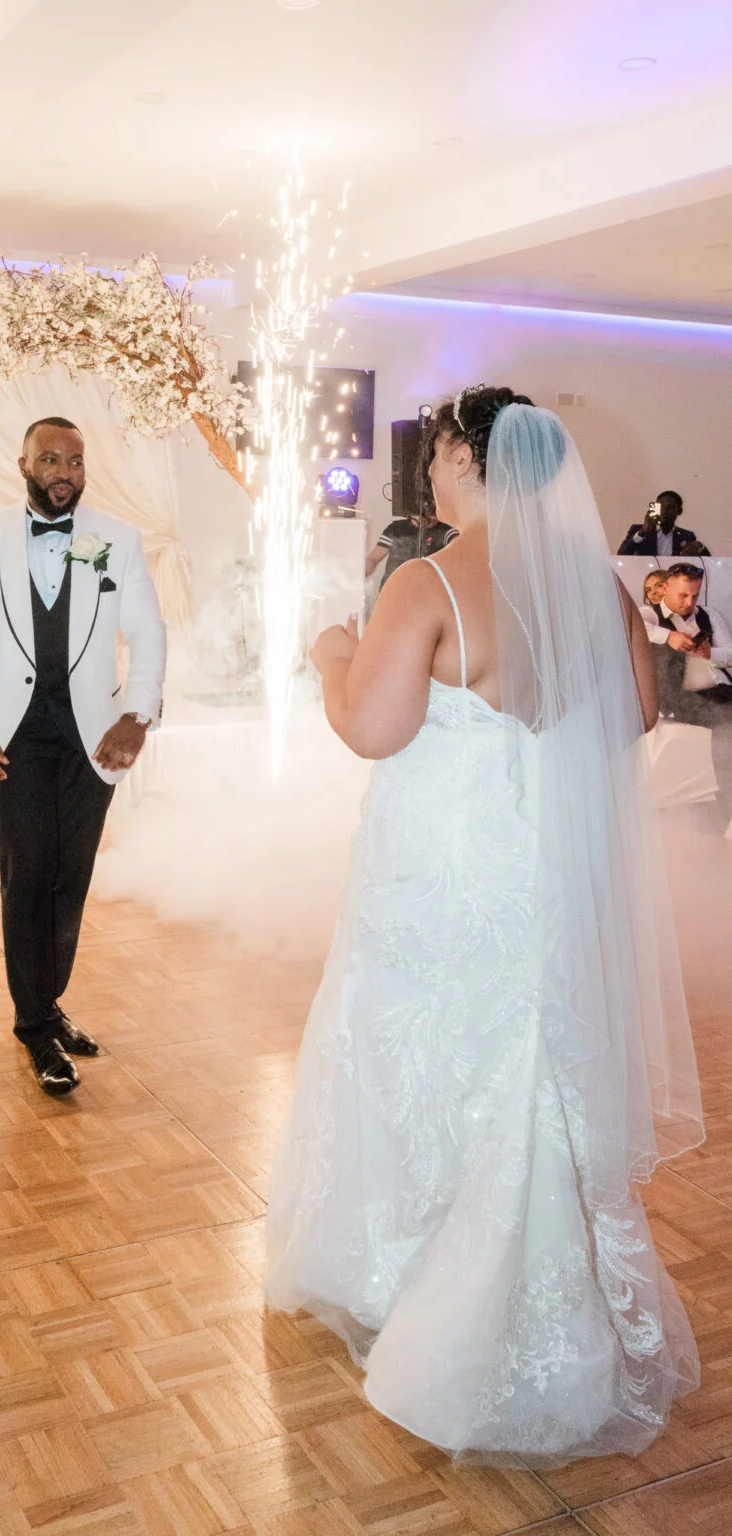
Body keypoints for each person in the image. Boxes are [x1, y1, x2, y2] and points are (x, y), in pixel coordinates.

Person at [266, 384, 703, 1465]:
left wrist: (328, 651)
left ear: (468, 460)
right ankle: (534, 1299)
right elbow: (641, 714)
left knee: (407, 1048)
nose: (430, 473)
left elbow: (371, 728)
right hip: (538, 878)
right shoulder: (590, 585)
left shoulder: (426, 581)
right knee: (521, 1064)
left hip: (435, 879)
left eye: (440, 456)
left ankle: (398, 1268)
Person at [0, 417, 166, 1095]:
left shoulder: (107, 540)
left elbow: (145, 628)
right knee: (27, 873)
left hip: (92, 737)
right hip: (13, 737)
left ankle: (47, 1002)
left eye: (74, 460)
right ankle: (35, 1028)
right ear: (22, 464)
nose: (63, 470)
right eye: (50, 459)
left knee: (70, 878)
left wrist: (139, 712)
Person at [641, 562, 732, 712]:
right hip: (684, 699)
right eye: (683, 595)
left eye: (694, 596)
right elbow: (627, 626)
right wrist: (668, 636)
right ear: (665, 588)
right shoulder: (650, 614)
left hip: (723, 690)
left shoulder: (709, 614)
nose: (689, 603)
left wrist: (710, 653)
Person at [365, 508, 458, 591]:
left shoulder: (447, 531)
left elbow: (459, 548)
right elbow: (373, 559)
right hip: (392, 594)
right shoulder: (396, 528)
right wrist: (360, 573)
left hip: (429, 597)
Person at [618, 490, 710, 558]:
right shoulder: (638, 530)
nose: (665, 511)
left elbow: (703, 562)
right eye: (661, 506)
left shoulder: (687, 536)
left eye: (670, 507)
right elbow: (621, 555)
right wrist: (642, 532)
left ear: (679, 511)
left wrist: (700, 547)